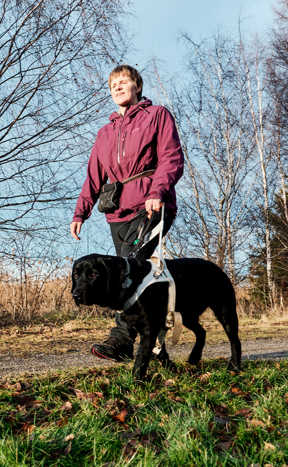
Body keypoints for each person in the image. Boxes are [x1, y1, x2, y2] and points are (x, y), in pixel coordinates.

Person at [70, 65, 184, 361]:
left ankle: (121, 340)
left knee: (133, 271)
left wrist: (157, 191)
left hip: (151, 206)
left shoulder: (156, 115)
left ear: (137, 87)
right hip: (116, 212)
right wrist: (80, 212)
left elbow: (171, 157)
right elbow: (93, 176)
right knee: (140, 278)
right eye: (112, 85)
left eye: (123, 82)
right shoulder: (104, 133)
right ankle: (157, 349)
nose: (117, 88)